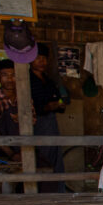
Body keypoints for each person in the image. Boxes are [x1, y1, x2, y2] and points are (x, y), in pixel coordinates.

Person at [29, 43, 66, 191]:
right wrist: (46, 107)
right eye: (38, 58)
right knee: (41, 158)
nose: (41, 61)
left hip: (50, 122)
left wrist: (58, 105)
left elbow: (59, 100)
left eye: (44, 58)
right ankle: (42, 191)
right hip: (36, 124)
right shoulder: (28, 80)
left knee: (55, 157)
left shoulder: (48, 80)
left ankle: (56, 191)